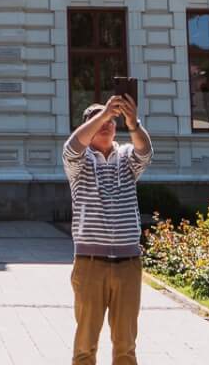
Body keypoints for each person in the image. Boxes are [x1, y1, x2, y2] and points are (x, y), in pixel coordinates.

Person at [63, 94, 151, 365]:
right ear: (87, 126)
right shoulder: (79, 163)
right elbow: (72, 146)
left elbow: (145, 151)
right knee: (85, 345)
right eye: (99, 120)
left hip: (128, 264)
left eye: (111, 121)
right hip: (90, 265)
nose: (107, 124)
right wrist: (103, 114)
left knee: (126, 346)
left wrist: (133, 122)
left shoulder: (126, 158)